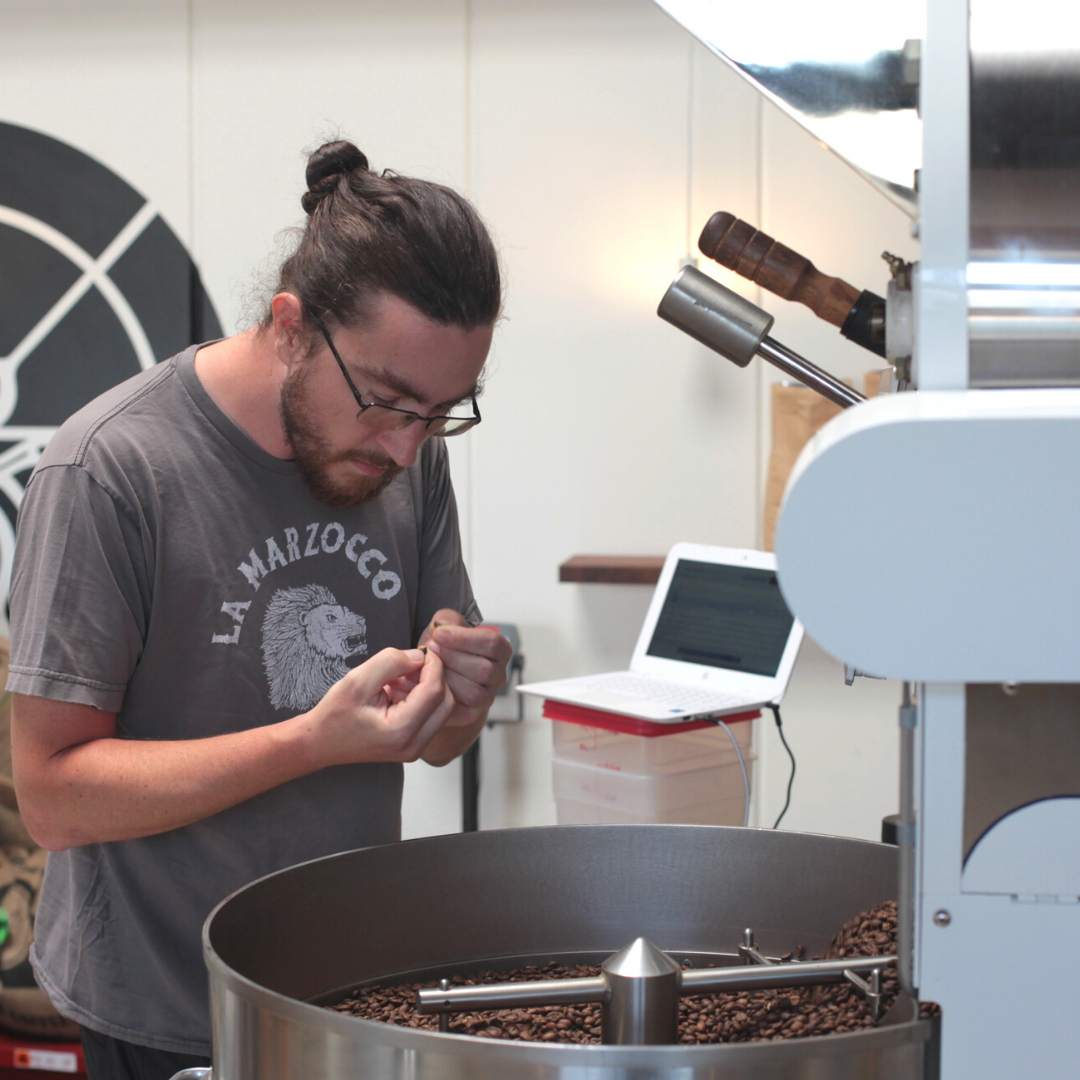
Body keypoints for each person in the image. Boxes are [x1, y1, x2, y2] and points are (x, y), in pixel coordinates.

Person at [5, 140, 511, 1080]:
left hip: (351, 994)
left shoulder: (409, 453)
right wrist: (311, 741)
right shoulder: (110, 469)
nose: (407, 450)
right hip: (164, 1012)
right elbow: (54, 800)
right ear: (290, 327)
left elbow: (439, 741)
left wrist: (465, 693)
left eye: (444, 413)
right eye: (388, 403)